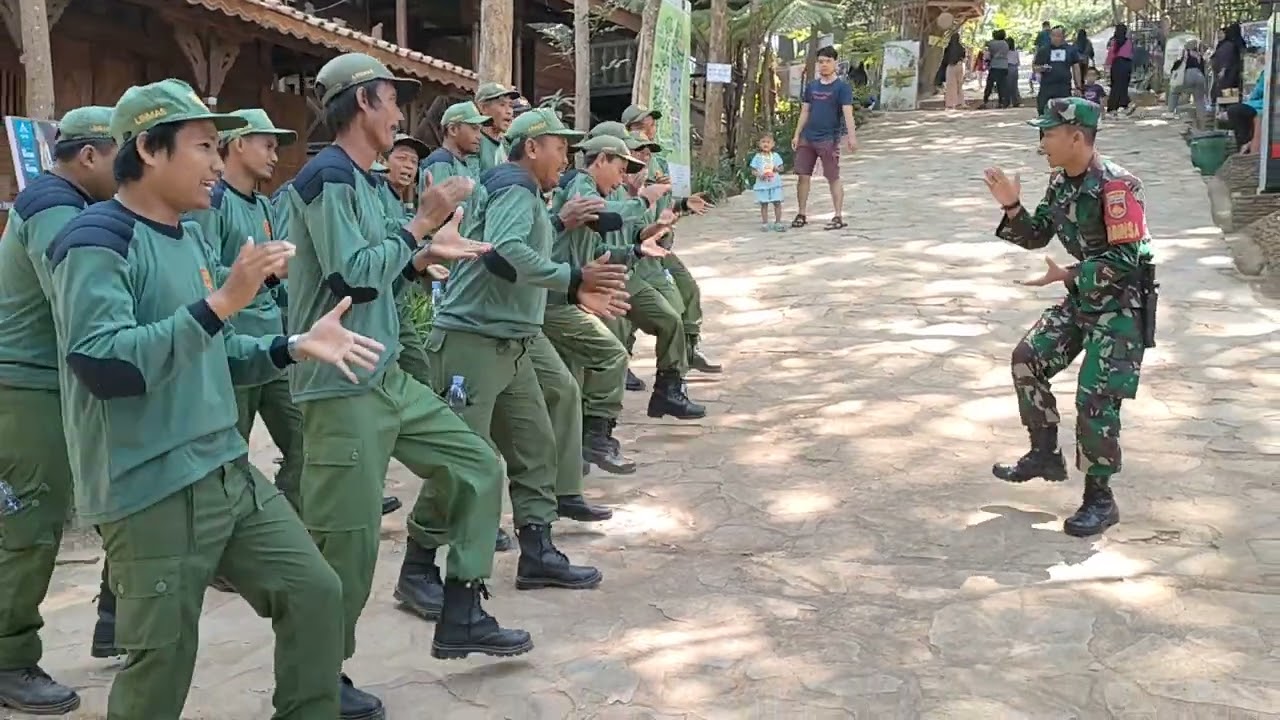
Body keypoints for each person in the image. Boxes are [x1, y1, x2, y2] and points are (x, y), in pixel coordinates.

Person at [45, 78, 388, 720]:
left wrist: (290, 346)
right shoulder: (96, 240)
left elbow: (207, 348)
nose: (215, 162)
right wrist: (223, 302)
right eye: (204, 146)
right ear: (149, 148)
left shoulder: (191, 238)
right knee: (162, 663)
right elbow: (104, 364)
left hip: (224, 472)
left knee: (315, 591)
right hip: (149, 489)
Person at [281, 53, 532, 715]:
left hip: (383, 377)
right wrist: (421, 224)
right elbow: (354, 277)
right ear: (365, 101)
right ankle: (315, 684)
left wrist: (421, 256)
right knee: (349, 549)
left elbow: (381, 266)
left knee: (477, 465)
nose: (399, 115)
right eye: (394, 101)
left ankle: (461, 608)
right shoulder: (328, 177)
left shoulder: (362, 180)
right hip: (339, 387)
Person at [423, 108, 633, 593]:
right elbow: (504, 253)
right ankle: (420, 565)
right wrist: (572, 279)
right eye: (560, 146)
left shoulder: (526, 191)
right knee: (464, 459)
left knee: (535, 444)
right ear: (533, 147)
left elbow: (519, 254)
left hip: (511, 338)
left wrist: (570, 277)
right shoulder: (516, 187)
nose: (566, 156)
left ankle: (537, 551)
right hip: (473, 338)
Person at [982, 97, 1155, 538]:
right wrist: (1011, 208)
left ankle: (1100, 499)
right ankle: (1044, 453)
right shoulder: (1061, 183)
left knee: (1095, 399)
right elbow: (1038, 234)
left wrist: (1072, 274)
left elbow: (1128, 258)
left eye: (1049, 133)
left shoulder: (1118, 188)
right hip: (1082, 300)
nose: (1042, 143)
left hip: (1119, 307)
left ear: (1077, 137)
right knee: (1027, 358)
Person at [0, 106, 118, 715]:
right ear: (91, 156)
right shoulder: (53, 207)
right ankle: (9, 658)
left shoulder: (72, 205)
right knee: (29, 526)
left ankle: (114, 618)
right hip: (26, 387)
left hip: (52, 383)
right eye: (120, 154)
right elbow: (75, 297)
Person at [185, 109, 303, 515]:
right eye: (267, 145)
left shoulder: (265, 206)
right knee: (230, 452)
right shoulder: (212, 203)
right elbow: (207, 280)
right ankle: (227, 547)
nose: (274, 155)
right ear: (237, 144)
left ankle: (289, 519)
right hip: (231, 349)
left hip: (270, 345)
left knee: (303, 436)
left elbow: (276, 278)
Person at [544, 133, 669, 477]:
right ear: (601, 160)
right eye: (620, 167)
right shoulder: (581, 186)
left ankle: (570, 458)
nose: (622, 177)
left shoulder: (589, 188)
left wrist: (636, 251)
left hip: (565, 294)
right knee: (610, 356)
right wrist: (642, 200)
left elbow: (594, 251)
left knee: (570, 383)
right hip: (552, 298)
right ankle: (595, 439)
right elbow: (603, 218)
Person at [621, 105, 720, 378]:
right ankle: (622, 361)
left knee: (689, 290)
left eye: (652, 124)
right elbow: (626, 210)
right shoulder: (623, 165)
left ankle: (688, 350)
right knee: (641, 305)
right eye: (643, 125)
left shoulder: (658, 161)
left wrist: (683, 205)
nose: (650, 128)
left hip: (660, 246)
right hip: (634, 250)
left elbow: (664, 207)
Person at [790, 45, 857, 231]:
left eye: (828, 61)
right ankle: (801, 213)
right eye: (821, 61)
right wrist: (797, 134)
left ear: (835, 62)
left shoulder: (842, 87)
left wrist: (852, 137)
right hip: (807, 137)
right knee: (803, 176)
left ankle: (837, 215)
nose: (824, 65)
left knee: (832, 177)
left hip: (829, 138)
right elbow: (805, 111)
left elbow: (848, 113)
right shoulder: (811, 86)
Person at [1033, 26, 1081, 116]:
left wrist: (1078, 86)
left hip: (1064, 87)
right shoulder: (1044, 50)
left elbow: (1076, 68)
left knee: (1063, 113)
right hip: (1047, 86)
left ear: (1063, 37)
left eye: (1058, 36)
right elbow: (1035, 67)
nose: (1056, 38)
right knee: (1043, 111)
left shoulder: (1070, 50)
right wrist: (1042, 68)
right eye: (1053, 35)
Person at [474, 82, 521, 174]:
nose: (509, 112)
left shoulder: (507, 145)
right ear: (483, 108)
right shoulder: (475, 144)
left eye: (511, 106)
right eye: (502, 105)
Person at [1166, 40, 1208, 129]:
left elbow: (1178, 63)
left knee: (1174, 91)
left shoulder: (1185, 52)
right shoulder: (1199, 55)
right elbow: (1204, 69)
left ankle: (1170, 112)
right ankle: (1202, 119)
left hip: (1188, 74)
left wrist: (1172, 70)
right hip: (1200, 76)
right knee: (1199, 100)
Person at [750, 133, 786, 229]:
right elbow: (753, 170)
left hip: (775, 184)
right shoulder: (757, 157)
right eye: (763, 142)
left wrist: (776, 169)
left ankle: (778, 222)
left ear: (773, 144)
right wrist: (759, 175)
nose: (766, 144)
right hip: (762, 185)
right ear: (759, 144)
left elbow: (782, 168)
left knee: (777, 203)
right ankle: (765, 223)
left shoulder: (775, 156)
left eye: (768, 142)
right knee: (764, 204)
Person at [1226, 69, 1265, 154]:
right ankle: (1245, 146)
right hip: (1261, 107)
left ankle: (1244, 146)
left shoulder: (1268, 71)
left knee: (1235, 111)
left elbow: (1257, 92)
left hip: (1261, 108)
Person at [1105, 24, 1135, 115]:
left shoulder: (1113, 41)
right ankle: (1123, 103)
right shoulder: (1128, 42)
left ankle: (1113, 106)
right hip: (1126, 65)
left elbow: (1110, 54)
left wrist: (1107, 65)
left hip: (1116, 65)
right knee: (1123, 86)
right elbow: (1131, 54)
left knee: (1115, 86)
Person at [983, 30, 1011, 109]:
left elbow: (988, 53)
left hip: (994, 66)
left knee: (990, 84)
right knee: (1002, 85)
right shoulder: (1006, 44)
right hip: (1004, 66)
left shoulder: (992, 43)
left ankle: (985, 101)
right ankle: (1002, 102)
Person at [943, 33, 967, 110]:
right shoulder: (961, 48)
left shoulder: (948, 48)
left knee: (951, 86)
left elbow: (945, 59)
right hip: (960, 66)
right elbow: (963, 57)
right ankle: (961, 103)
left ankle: (951, 103)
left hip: (951, 67)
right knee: (959, 85)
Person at [1006, 36, 1023, 108]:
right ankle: (1015, 101)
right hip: (1015, 68)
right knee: (1014, 86)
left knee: (1007, 86)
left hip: (1008, 68)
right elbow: (1018, 62)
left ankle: (1007, 102)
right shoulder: (1016, 52)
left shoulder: (1005, 52)